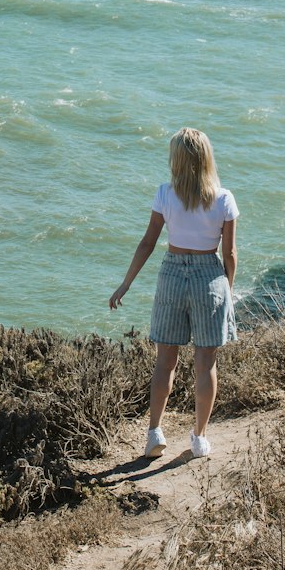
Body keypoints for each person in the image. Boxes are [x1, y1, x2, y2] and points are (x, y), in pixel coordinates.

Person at [109, 127, 238, 460]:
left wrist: (126, 283)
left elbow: (148, 242)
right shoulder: (223, 198)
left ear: (176, 159)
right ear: (207, 158)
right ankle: (199, 438)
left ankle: (154, 433)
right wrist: (228, 291)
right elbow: (230, 255)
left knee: (165, 362)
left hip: (171, 274)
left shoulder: (165, 194)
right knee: (205, 363)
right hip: (209, 277)